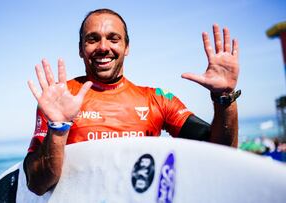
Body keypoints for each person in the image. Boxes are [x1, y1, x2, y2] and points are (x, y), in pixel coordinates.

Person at [24, 8, 240, 195]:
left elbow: (221, 154)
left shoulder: (156, 99)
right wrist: (58, 128)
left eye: (113, 38)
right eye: (92, 39)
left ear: (126, 47)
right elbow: (37, 185)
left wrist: (224, 98)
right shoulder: (61, 99)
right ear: (81, 49)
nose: (103, 46)